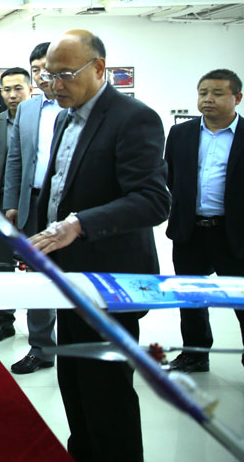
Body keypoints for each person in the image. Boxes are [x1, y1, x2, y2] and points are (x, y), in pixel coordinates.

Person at [28, 30, 169, 462]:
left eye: (65, 74)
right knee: (73, 383)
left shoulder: (133, 118)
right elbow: (58, 188)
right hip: (67, 277)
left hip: (109, 281)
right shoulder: (65, 118)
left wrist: (79, 224)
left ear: (99, 68)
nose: (55, 85)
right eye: (49, 76)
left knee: (107, 394)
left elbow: (152, 200)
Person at [165, 68, 244, 373]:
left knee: (241, 299)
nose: (208, 99)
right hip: (190, 231)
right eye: (203, 93)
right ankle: (195, 355)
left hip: (234, 233)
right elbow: (170, 177)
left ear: (237, 97)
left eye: (217, 93)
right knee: (191, 298)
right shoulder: (180, 133)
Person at [2, 42, 62, 371]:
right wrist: (12, 203)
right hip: (34, 203)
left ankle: (77, 346)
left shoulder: (77, 107)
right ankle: (41, 347)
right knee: (38, 279)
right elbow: (15, 159)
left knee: (72, 276)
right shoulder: (27, 110)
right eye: (35, 69)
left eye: (47, 68)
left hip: (70, 205)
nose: (41, 75)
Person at [0, 67, 31, 343]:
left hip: (33, 204)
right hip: (0, 203)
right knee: (2, 266)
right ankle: (5, 320)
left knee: (37, 265)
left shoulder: (41, 119)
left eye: (18, 89)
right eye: (7, 90)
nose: (12, 95)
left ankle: (39, 323)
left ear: (30, 90)